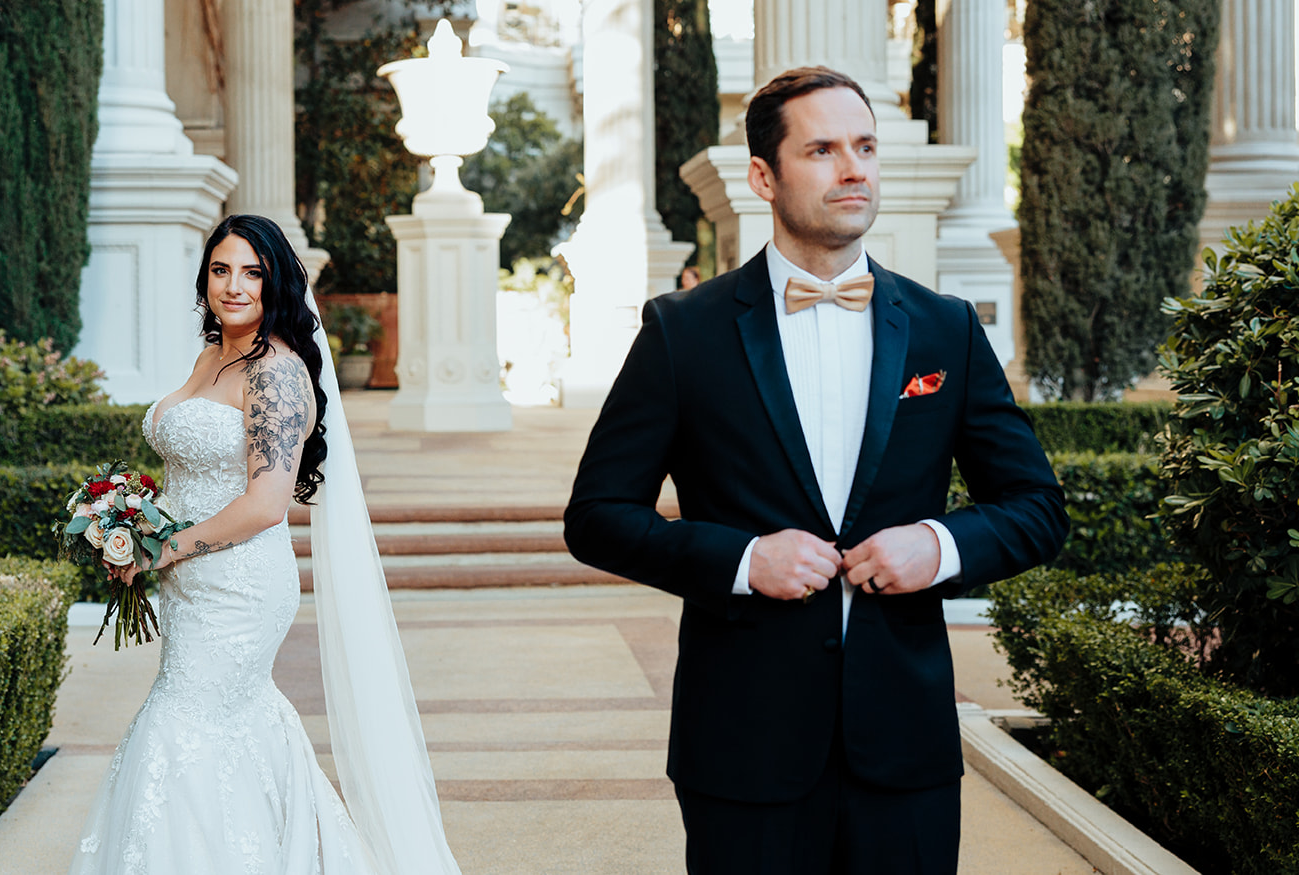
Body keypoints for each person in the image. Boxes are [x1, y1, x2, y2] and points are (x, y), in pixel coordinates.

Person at [563, 67, 1067, 874]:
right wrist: (740, 558)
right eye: (824, 149)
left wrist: (936, 545)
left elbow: (1038, 505)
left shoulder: (945, 330)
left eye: (865, 147)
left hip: (905, 746)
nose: (854, 168)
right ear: (764, 175)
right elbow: (595, 515)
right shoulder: (681, 333)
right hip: (743, 744)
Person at [70, 214, 461, 875]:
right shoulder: (209, 356)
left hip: (239, 584)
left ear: (275, 282)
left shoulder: (275, 372)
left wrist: (164, 548)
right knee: (234, 721)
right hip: (189, 582)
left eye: (252, 271)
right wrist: (128, 529)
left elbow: (265, 503)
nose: (235, 285)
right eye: (221, 269)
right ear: (205, 279)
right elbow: (185, 473)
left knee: (181, 721)